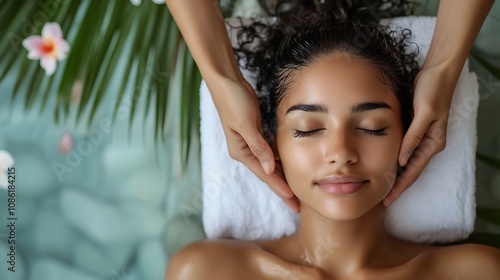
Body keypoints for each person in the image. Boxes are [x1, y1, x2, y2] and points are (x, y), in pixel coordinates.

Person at [165, 10, 500, 278]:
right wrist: (222, 80)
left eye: (371, 127)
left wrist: (443, 69)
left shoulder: (477, 272)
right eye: (309, 129)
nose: (341, 153)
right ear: (269, 141)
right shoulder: (207, 271)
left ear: (412, 133)